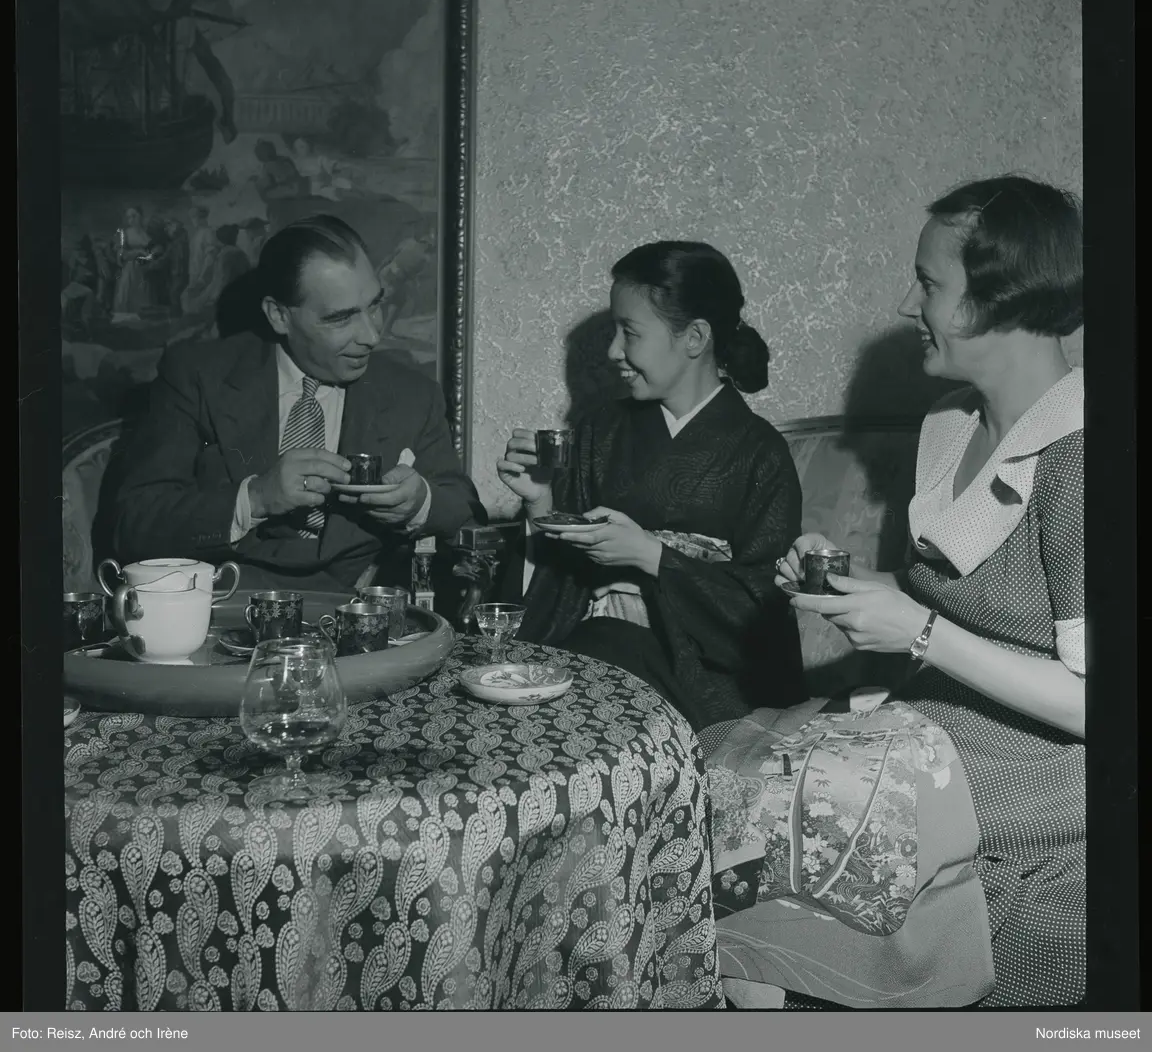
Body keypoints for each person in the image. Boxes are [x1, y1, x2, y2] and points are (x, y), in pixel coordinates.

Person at [772, 175, 1084, 1008]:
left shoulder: (1086, 455)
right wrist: (847, 581)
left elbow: (1101, 707)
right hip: (934, 725)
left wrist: (916, 633)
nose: (909, 304)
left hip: (1045, 776)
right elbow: (947, 600)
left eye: (930, 283)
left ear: (998, 299)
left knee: (782, 825)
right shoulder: (950, 423)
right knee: (732, 780)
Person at [497, 241, 806, 732]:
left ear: (695, 337)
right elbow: (557, 590)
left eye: (630, 332)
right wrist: (541, 503)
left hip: (697, 683)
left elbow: (765, 610)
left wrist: (653, 557)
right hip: (590, 654)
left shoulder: (760, 452)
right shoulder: (600, 431)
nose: (612, 351)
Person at [110, 214, 486, 591]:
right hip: (228, 604)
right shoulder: (196, 376)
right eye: (341, 318)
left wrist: (419, 503)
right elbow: (132, 525)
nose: (372, 335)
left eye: (374, 305)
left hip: (361, 608)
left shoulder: (413, 394)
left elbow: (465, 512)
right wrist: (256, 498)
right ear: (279, 316)